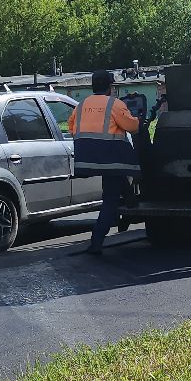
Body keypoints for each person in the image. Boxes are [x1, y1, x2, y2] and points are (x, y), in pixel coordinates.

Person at [69, 70, 143, 256]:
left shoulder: (81, 105)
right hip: (110, 157)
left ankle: (130, 200)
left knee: (115, 178)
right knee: (110, 197)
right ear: (111, 87)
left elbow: (71, 127)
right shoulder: (115, 104)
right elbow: (132, 127)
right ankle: (96, 242)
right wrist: (139, 120)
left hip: (86, 156)